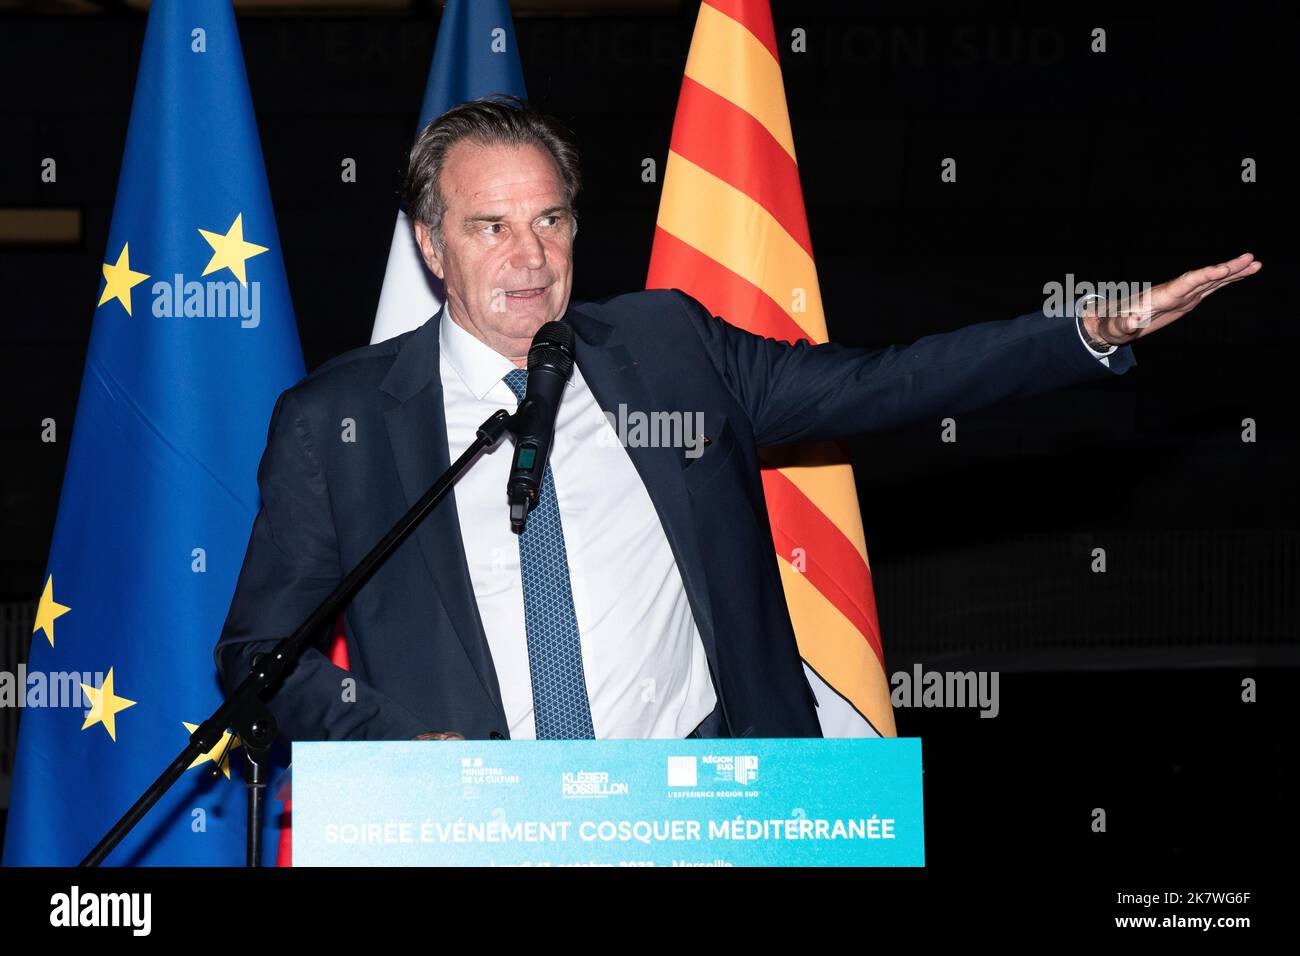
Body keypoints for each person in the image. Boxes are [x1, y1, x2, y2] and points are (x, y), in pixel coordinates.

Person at [214, 96, 1261, 742]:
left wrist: (1088, 326)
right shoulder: (337, 419)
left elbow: (886, 382)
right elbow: (263, 652)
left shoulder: (669, 349)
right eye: (490, 226)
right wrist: (398, 743)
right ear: (431, 245)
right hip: (485, 827)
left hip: (707, 812)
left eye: (550, 220)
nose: (530, 258)